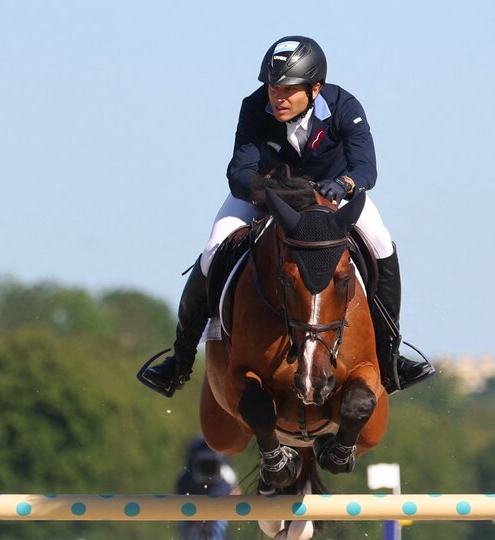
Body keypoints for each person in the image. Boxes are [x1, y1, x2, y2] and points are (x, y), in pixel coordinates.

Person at [140, 35, 434, 397]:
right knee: (214, 249)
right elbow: (238, 173)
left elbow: (365, 167)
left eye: (287, 90)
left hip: (331, 198)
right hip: (269, 197)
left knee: (381, 244)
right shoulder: (253, 108)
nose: (277, 97)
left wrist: (343, 184)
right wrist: (276, 193)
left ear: (315, 88)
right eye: (272, 88)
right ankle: (180, 361)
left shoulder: (345, 107)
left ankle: (391, 357)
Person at [176, 437, 237, 540]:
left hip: (198, 494)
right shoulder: (220, 445)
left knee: (215, 529)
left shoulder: (198, 446)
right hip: (196, 493)